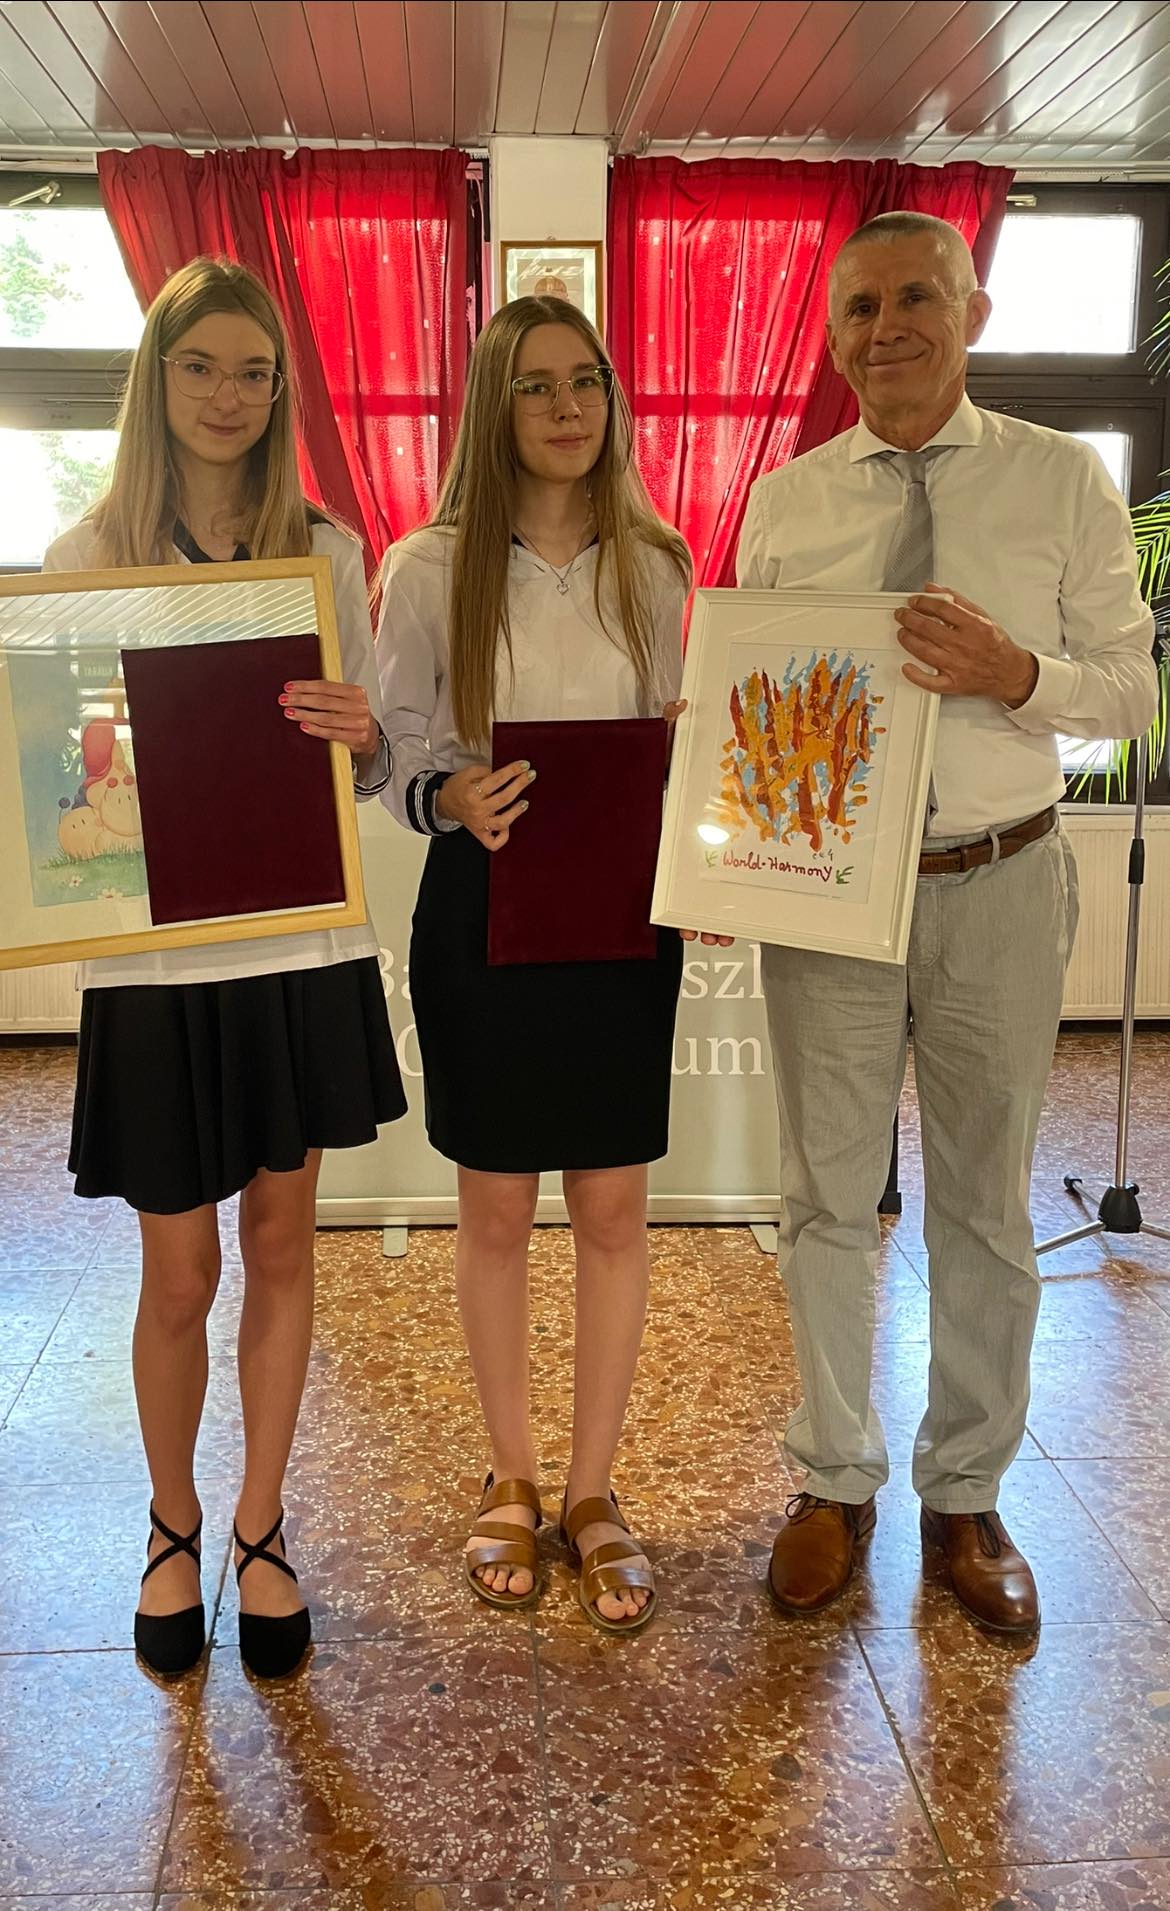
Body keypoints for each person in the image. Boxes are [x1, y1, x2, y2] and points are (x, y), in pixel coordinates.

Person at [737, 212, 1159, 1635]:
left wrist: (1016, 671)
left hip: (1002, 877)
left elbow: (1128, 689)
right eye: (859, 309)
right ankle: (833, 1478)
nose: (888, 329)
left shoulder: (1060, 481)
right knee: (823, 1198)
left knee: (984, 1200)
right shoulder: (787, 502)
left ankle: (964, 1495)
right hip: (827, 898)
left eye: (915, 296)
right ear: (833, 337)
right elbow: (754, 709)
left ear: (970, 312)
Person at [42, 258, 407, 1680]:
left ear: (279, 394)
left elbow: (363, 768)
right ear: (156, 377)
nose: (228, 395)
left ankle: (260, 1524)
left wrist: (362, 738)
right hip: (153, 969)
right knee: (180, 1268)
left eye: (255, 372)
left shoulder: (325, 551)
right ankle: (171, 1524)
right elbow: (57, 781)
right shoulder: (84, 558)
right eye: (200, 366)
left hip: (297, 940)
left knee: (281, 1246)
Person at [377, 295, 714, 1633]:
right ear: (493, 406)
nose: (568, 407)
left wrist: (714, 833)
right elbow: (396, 755)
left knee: (615, 1211)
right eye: (535, 386)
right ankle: (510, 1475)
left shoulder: (660, 565)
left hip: (623, 908)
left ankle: (591, 1490)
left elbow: (688, 743)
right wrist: (449, 795)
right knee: (498, 1212)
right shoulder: (426, 567)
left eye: (587, 381)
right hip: (485, 904)